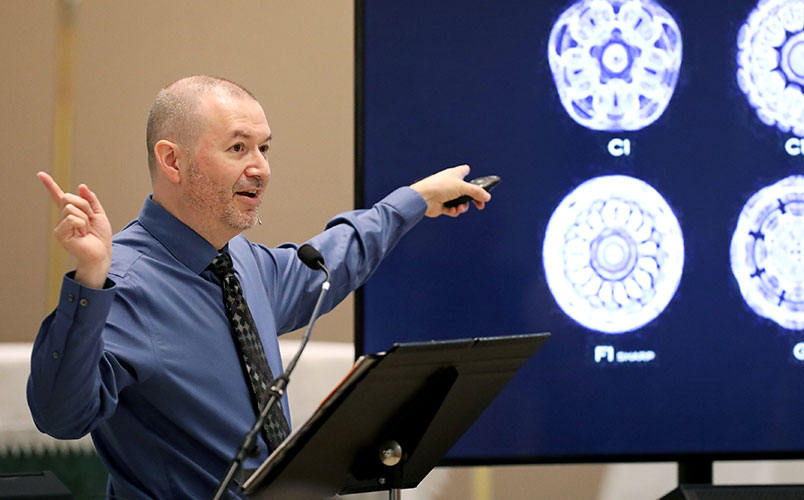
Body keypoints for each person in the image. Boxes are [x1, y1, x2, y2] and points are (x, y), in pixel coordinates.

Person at [27, 75, 491, 499]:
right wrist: (89, 279)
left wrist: (413, 201)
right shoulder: (122, 282)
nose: (261, 169)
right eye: (238, 148)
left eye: (264, 149)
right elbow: (61, 417)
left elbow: (331, 259)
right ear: (172, 160)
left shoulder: (241, 262)